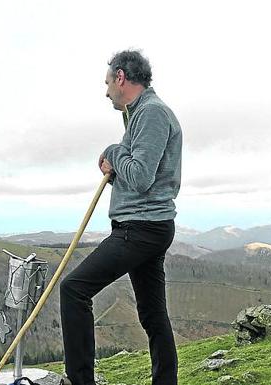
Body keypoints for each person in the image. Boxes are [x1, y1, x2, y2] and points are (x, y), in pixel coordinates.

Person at [59, 50, 182, 385]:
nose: (106, 91)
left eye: (108, 82)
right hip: (149, 225)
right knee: (153, 314)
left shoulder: (152, 114)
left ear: (122, 77)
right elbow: (141, 175)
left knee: (73, 289)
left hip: (140, 227)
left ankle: (81, 381)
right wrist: (117, 168)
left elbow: (140, 176)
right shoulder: (140, 114)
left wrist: (113, 151)